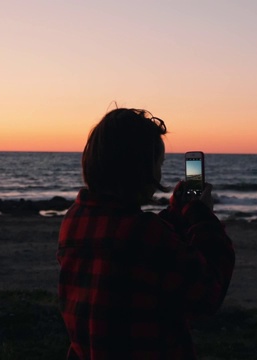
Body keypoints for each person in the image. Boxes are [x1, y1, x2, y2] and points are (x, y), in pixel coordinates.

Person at [57, 107, 235, 359]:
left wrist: (176, 213)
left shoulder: (74, 220)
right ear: (142, 169)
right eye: (158, 164)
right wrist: (202, 217)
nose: (160, 173)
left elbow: (134, 251)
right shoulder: (145, 234)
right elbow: (208, 293)